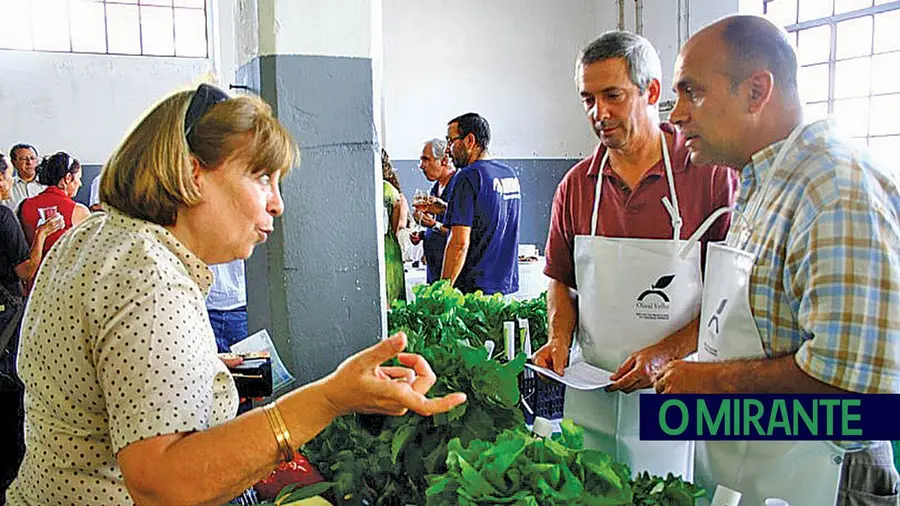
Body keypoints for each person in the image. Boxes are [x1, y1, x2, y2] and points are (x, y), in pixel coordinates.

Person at [6, 84, 465, 506]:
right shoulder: (153, 276)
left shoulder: (94, 237)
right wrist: (329, 399)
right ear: (192, 173)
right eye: (262, 176)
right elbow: (163, 482)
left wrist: (194, 365)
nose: (277, 202)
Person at [656, 15, 900, 506]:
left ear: (756, 90)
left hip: (822, 476)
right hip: (762, 466)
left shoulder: (833, 192)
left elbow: (852, 392)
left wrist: (711, 381)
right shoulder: (763, 180)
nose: (677, 114)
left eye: (692, 92)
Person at [530, 31, 738, 480]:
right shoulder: (577, 186)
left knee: (671, 488)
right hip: (593, 393)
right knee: (594, 486)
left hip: (677, 394)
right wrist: (559, 340)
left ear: (653, 93)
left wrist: (666, 353)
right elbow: (561, 283)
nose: (597, 114)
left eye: (613, 96)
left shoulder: (709, 175)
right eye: (587, 99)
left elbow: (730, 298)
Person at [0, 153, 64, 502]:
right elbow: (27, 270)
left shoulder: (21, 206)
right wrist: (39, 236)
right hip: (7, 320)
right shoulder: (5, 216)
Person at [439, 112, 520, 295]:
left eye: (450, 141)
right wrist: (446, 209)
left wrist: (442, 291)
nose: (447, 150)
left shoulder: (468, 177)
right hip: (505, 287)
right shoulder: (509, 175)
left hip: (475, 291)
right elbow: (488, 216)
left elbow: (459, 244)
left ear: (469, 140)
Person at [18, 152, 91, 256]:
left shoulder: (25, 205)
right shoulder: (79, 211)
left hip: (33, 269)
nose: (80, 183)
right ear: (68, 178)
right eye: (79, 178)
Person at [413, 138, 457, 284]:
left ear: (444, 160)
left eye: (426, 160)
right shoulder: (435, 187)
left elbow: (460, 233)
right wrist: (422, 234)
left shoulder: (458, 185)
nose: (421, 166)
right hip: (434, 269)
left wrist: (433, 225)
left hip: (450, 273)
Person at [382, 148, 408, 304]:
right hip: (393, 253)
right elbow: (398, 227)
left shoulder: (381, 189)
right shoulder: (395, 192)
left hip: (382, 254)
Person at [0, 144, 45, 212]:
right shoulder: (7, 187)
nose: (29, 162)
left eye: (32, 158)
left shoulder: (47, 185)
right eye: (24, 159)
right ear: (13, 162)